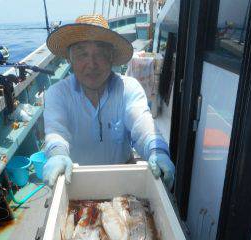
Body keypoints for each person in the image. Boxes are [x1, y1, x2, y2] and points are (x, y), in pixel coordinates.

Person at [43, 14, 175, 188]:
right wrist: (57, 154)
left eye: (100, 54)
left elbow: (143, 126)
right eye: (82, 54)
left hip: (124, 180)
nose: (91, 64)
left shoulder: (129, 87)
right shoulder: (57, 93)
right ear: (70, 59)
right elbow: (56, 132)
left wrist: (157, 151)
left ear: (111, 58)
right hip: (75, 181)